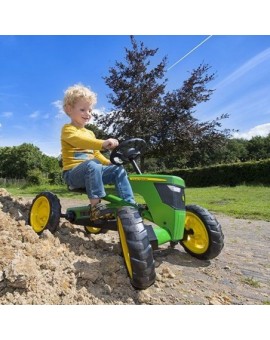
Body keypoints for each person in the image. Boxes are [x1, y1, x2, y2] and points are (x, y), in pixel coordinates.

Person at [61, 83, 135, 221]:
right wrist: (103, 143)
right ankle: (96, 208)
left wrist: (110, 162)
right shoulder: (68, 129)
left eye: (90, 110)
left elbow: (96, 154)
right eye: (83, 109)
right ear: (69, 109)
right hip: (72, 174)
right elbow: (79, 141)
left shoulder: (90, 133)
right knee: (92, 164)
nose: (87, 114)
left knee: (117, 169)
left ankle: (129, 204)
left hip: (92, 171)